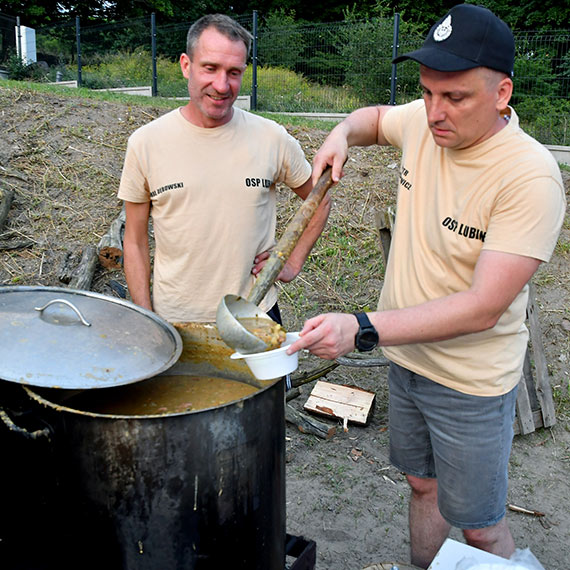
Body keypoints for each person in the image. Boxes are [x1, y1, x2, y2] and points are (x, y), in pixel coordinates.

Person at [287, 4, 565, 568]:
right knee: (421, 485)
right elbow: (373, 119)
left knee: (483, 531)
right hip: (408, 359)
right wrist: (342, 133)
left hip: (470, 381)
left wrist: (361, 328)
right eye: (427, 92)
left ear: (502, 93)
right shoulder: (422, 120)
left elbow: (484, 306)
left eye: (455, 97)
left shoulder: (529, 177)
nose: (434, 112)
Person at [118, 14, 329, 324]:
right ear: (186, 66)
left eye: (234, 72)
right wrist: (146, 317)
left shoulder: (272, 138)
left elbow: (320, 198)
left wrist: (292, 261)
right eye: (210, 68)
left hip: (255, 317)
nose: (222, 85)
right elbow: (135, 241)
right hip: (176, 322)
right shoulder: (145, 143)